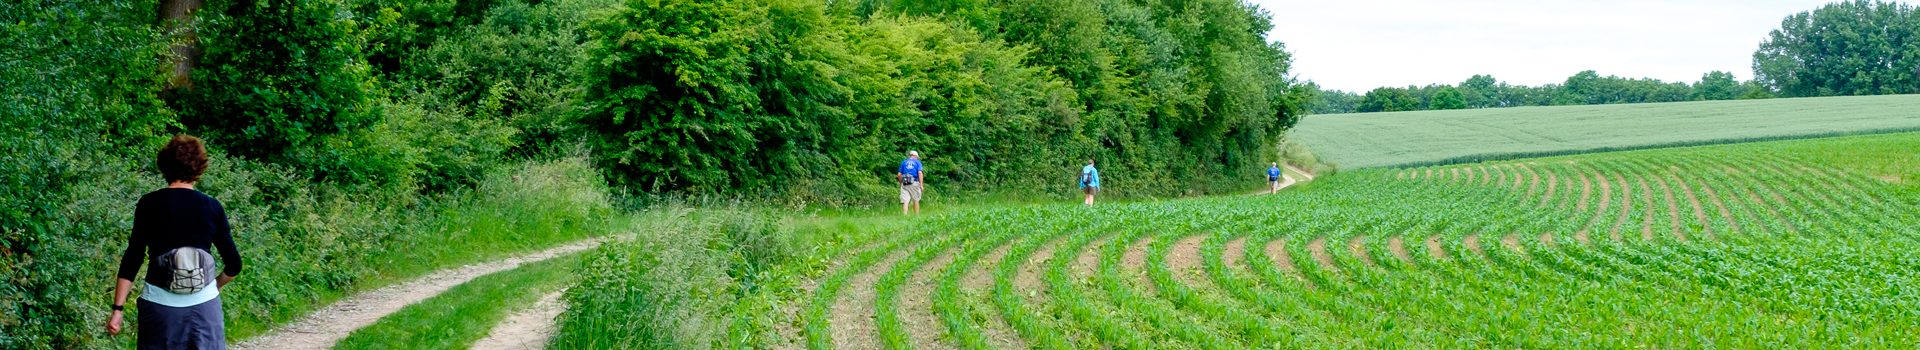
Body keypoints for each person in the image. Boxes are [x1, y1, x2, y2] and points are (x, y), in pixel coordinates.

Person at [107, 134, 243, 350]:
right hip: (205, 309)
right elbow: (234, 264)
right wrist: (212, 286)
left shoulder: (149, 204)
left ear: (164, 166)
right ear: (200, 167)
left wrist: (118, 309)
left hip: (159, 309)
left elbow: (133, 257)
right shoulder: (212, 206)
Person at [897, 150, 925, 215]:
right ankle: (917, 215)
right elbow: (920, 173)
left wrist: (901, 182)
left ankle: (905, 215)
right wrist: (921, 185)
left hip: (905, 183)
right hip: (914, 182)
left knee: (905, 201)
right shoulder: (917, 162)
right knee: (916, 199)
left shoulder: (904, 162)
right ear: (915, 156)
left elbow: (899, 174)